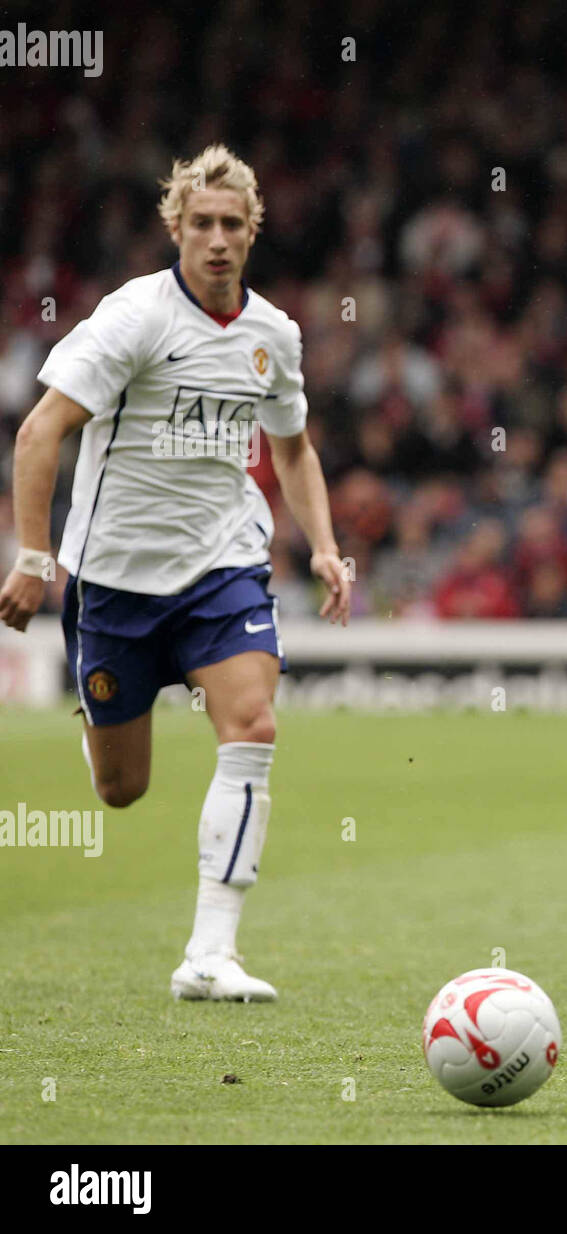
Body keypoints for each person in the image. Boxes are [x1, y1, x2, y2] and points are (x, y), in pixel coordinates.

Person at [0, 145, 351, 1001]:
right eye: (202, 224)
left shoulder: (274, 335)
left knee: (253, 728)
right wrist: (34, 557)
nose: (219, 240)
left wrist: (326, 545)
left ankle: (210, 954)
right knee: (123, 789)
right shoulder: (134, 319)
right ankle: (100, 711)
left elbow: (294, 446)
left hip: (222, 566)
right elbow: (42, 431)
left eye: (234, 224)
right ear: (176, 228)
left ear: (254, 230)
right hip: (115, 577)